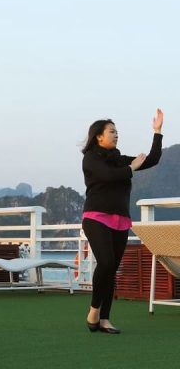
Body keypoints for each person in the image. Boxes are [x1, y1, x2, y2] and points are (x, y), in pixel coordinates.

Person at [82, 109, 163, 334]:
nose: (116, 135)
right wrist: (132, 167)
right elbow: (109, 175)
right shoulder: (91, 158)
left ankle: (105, 319)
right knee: (106, 263)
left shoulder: (119, 159)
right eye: (112, 131)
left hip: (120, 221)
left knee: (111, 270)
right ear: (99, 136)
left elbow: (153, 159)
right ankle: (94, 311)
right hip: (96, 218)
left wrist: (157, 132)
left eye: (117, 131)